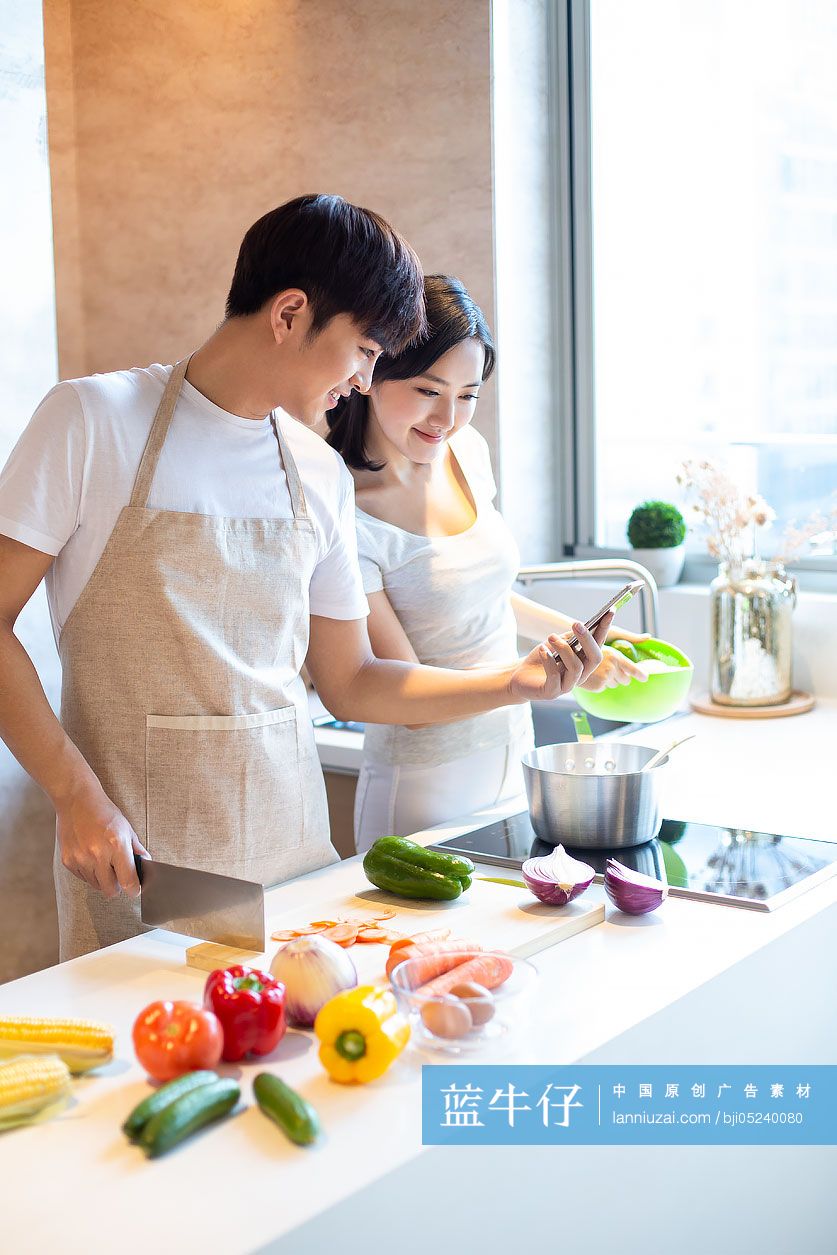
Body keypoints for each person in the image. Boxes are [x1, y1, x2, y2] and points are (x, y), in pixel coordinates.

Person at [0, 197, 607, 961]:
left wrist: (516, 684)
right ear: (289, 313)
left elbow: (349, 681)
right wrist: (73, 796)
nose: (363, 379)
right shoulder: (92, 421)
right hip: (140, 865)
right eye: (362, 349)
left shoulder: (317, 471)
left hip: (292, 860)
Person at [326, 275, 648, 851]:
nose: (447, 417)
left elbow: (478, 595)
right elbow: (402, 699)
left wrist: (574, 640)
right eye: (428, 390)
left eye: (469, 395)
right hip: (422, 784)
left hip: (515, 754)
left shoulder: (466, 455)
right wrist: (526, 679)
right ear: (372, 374)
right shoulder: (343, 510)